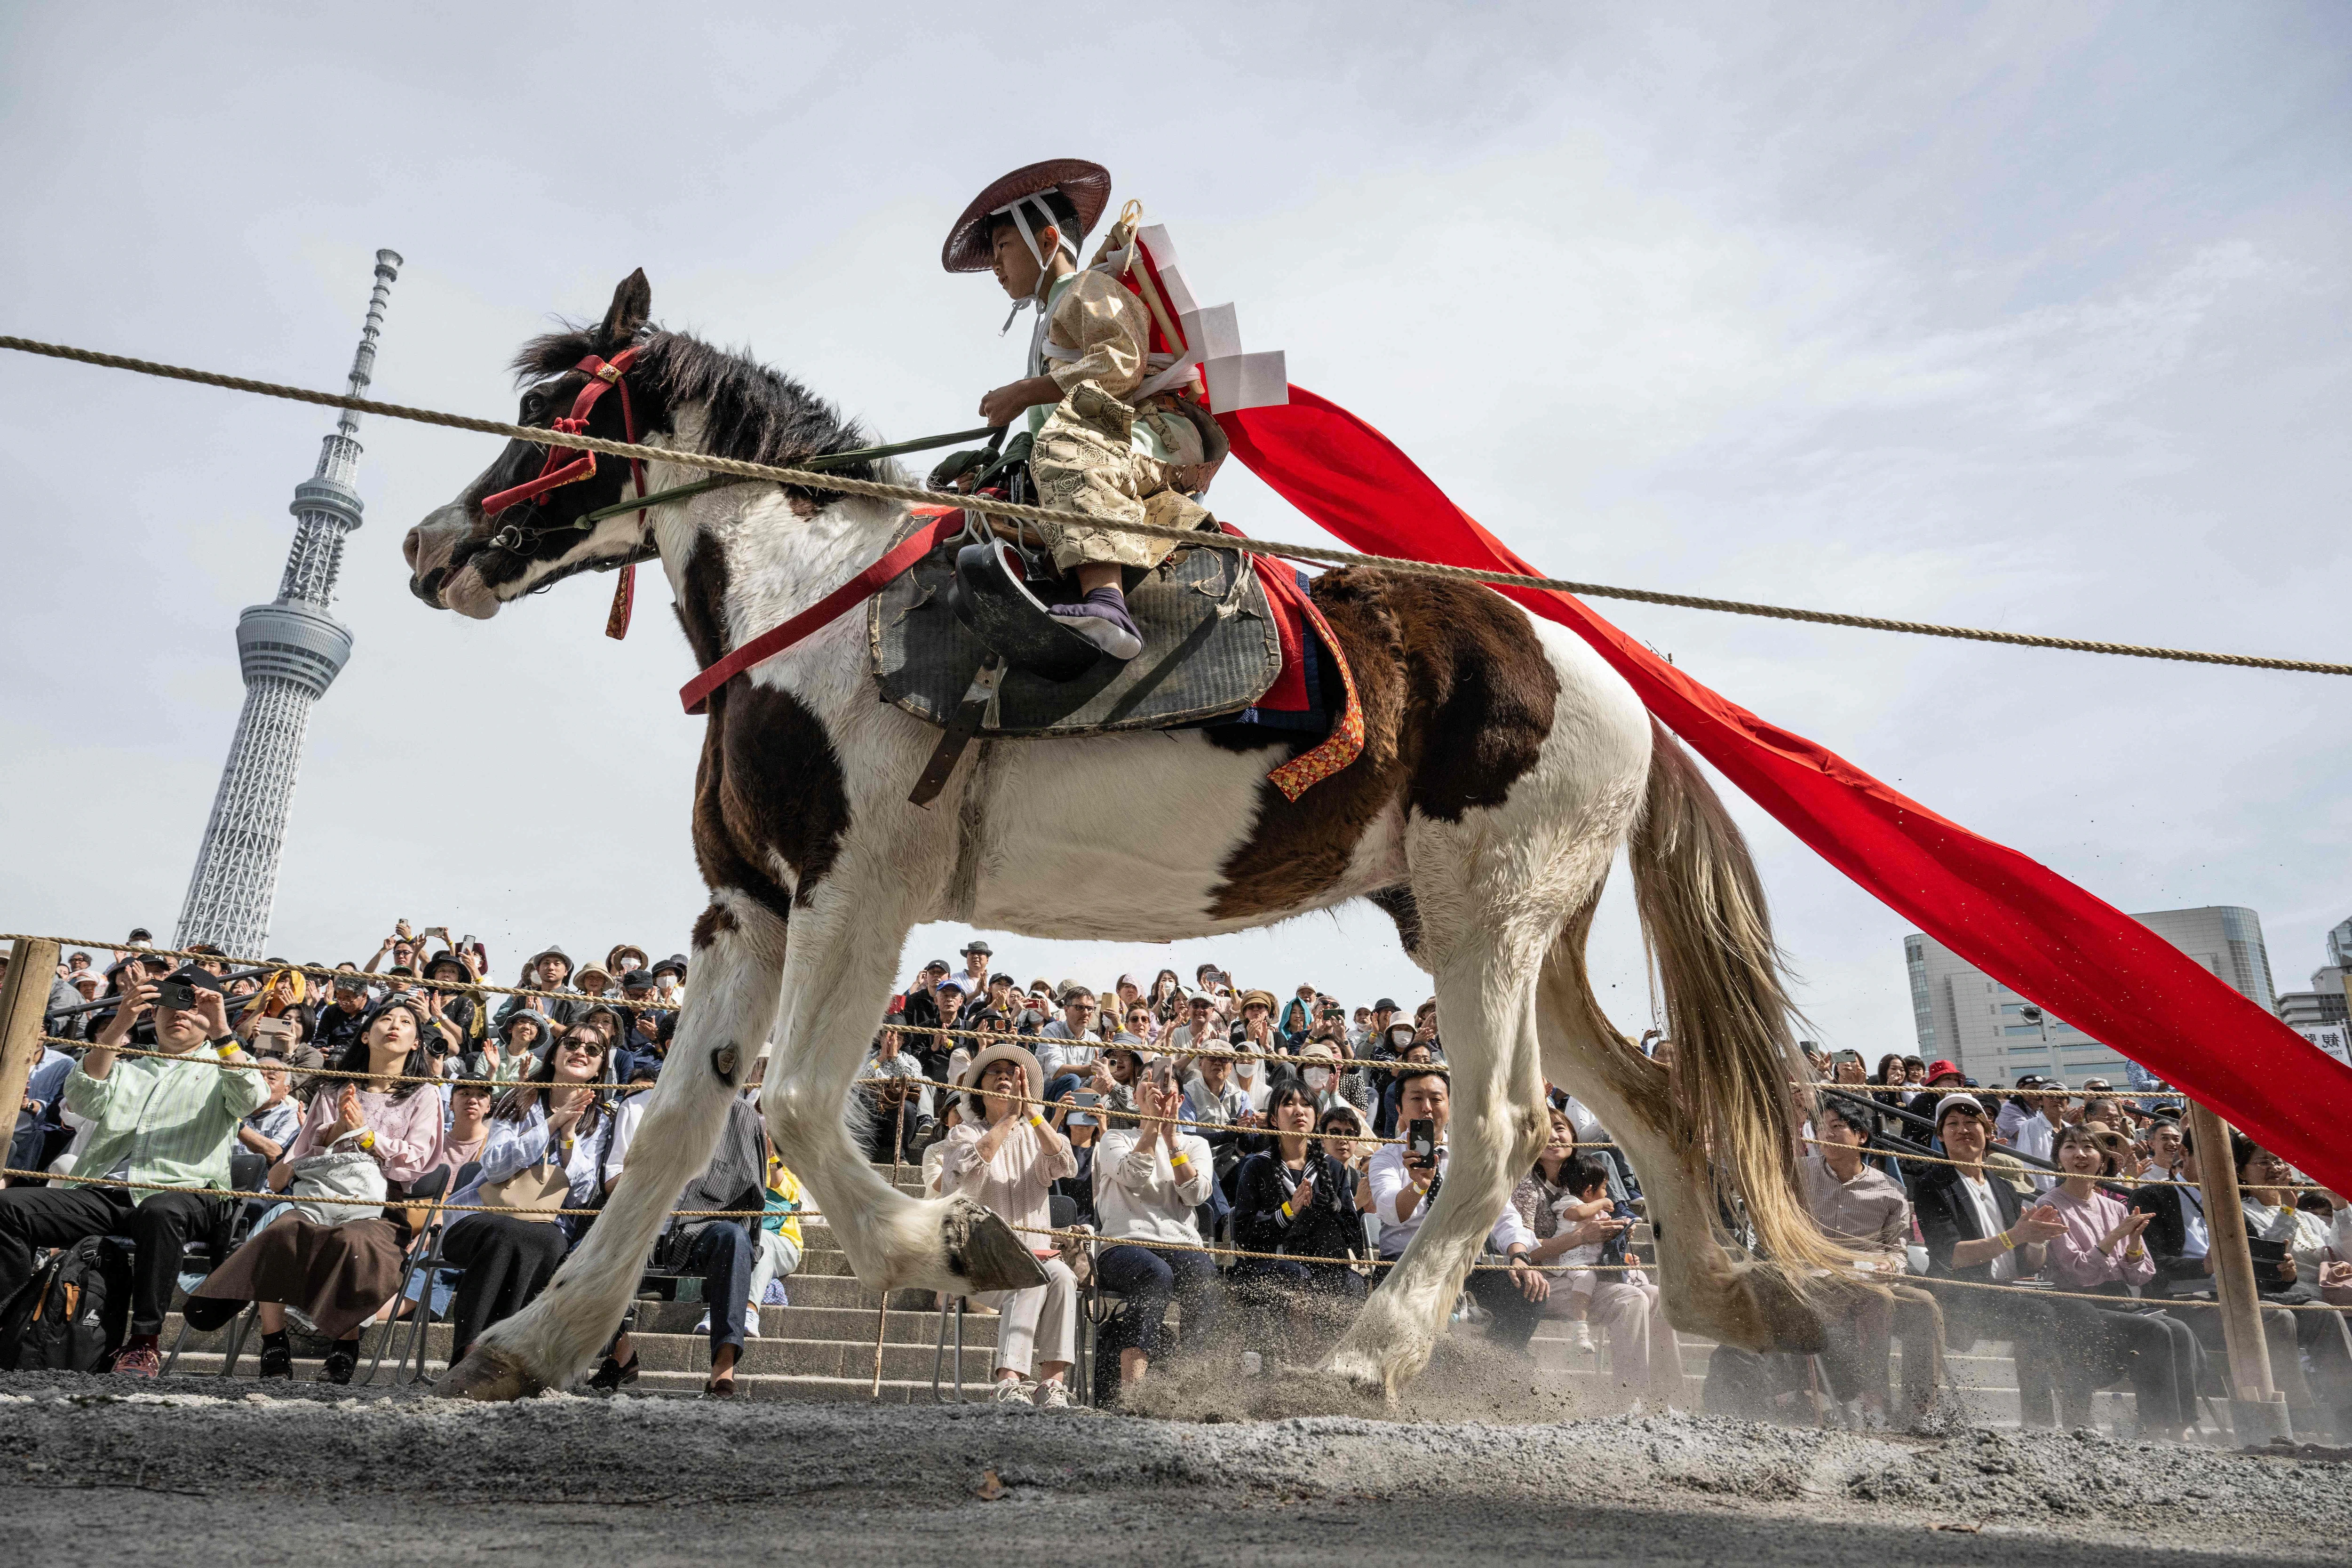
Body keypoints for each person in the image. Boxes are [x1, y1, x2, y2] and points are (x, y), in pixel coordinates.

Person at [937, 160, 1220, 664]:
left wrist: (1026, 392)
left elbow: (1119, 366)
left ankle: (1106, 603)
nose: (996, 267)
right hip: (1098, 436)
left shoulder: (1089, 290)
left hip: (1153, 433)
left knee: (1066, 450)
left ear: (1046, 241)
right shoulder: (1050, 315)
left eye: (1002, 248)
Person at [0, 967, 264, 1374]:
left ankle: (144, 1342)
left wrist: (222, 1031)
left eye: (195, 1007)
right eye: (172, 1004)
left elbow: (250, 1097)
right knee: (7, 1206)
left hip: (189, 1193)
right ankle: (9, 1316)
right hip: (106, 1191)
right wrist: (121, 1021)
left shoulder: (225, 1061)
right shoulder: (128, 1065)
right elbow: (83, 1098)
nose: (181, 1014)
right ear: (154, 1013)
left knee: (161, 1210)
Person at [186, 996, 448, 1382]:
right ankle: (274, 1342)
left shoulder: (422, 1094)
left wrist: (367, 1136)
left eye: (406, 1022)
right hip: (321, 1194)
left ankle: (346, 1343)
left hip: (382, 1205)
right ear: (364, 1035)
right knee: (283, 1230)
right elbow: (297, 1159)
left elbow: (417, 1164)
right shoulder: (331, 1090)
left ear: (415, 1043)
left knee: (353, 1242)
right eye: (385, 1018)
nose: (393, 1025)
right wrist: (330, 1135)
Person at [438, 1022, 617, 1366]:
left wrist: (568, 1137)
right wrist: (550, 1124)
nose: (581, 1051)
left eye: (593, 1050)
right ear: (554, 1053)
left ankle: (510, 1356)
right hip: (481, 1218)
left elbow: (581, 1196)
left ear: (600, 1068)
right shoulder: (518, 1099)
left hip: (548, 1225)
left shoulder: (601, 1121)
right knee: (508, 1233)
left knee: (546, 1242)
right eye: (573, 1043)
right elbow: (494, 1166)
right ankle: (472, 1354)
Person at [1909, 1095, 2075, 1427]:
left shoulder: (2004, 1186)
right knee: (2038, 1314)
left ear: (1989, 1132)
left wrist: (2037, 1240)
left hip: (2011, 1291)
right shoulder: (1933, 1184)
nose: (1963, 1130)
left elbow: (2028, 1264)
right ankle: (2039, 1421)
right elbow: (1950, 1256)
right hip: (1965, 1296)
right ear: (1940, 1135)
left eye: (1972, 1122)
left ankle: (2078, 1421)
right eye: (1952, 1124)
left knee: (2079, 1311)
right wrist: (2015, 1236)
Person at [1367, 1067, 1550, 1353]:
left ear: (1451, 1107)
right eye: (1416, 1099)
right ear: (1399, 1108)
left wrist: (1519, 1257)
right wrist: (1417, 1187)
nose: (1427, 1108)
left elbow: (1503, 1214)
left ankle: (1491, 1365)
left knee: (1528, 1292)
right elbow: (1391, 1213)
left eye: (1437, 1099)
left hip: (1463, 1268)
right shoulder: (1385, 1159)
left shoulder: (1475, 1159)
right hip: (1404, 1268)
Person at [940, 1042, 1080, 1408]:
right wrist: (1008, 1120)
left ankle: (1051, 1382)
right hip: (979, 1263)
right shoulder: (964, 1133)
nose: (1005, 1075)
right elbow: (963, 1177)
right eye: (995, 1070)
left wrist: (1034, 1115)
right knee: (1031, 1275)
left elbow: (1064, 1164)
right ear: (980, 1088)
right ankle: (1009, 1380)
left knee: (1063, 1276)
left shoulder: (1037, 1135)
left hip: (1036, 1257)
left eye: (1013, 1071)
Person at [2040, 1124, 2201, 1439]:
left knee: (2180, 1330)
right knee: (2154, 1331)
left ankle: (2180, 1423)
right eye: (2070, 1147)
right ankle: (2156, 1426)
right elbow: (2078, 1272)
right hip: (2080, 1303)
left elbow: (2142, 1274)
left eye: (2089, 1147)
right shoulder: (2050, 1206)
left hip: (2120, 1297)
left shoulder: (2116, 1207)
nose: (2080, 1154)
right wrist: (2115, 1235)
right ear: (2059, 1159)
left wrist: (2133, 1245)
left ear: (2102, 1159)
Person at [1798, 1097, 1943, 1425]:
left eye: (1837, 1127)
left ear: (1861, 1136)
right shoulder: (1798, 1175)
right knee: (1875, 1301)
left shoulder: (1890, 1190)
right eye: (1821, 1127)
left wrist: (1889, 1265)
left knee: (1925, 1303)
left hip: (1870, 1277)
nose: (1827, 1134)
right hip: (1817, 1279)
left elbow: (1896, 1249)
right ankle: (1872, 1400)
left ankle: (1921, 1408)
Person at [1094, 1062, 1221, 1394]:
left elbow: (1195, 1193)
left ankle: (1192, 1384)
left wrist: (1171, 1139)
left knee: (1205, 1274)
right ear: (1135, 1096)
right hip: (1122, 1246)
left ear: (1178, 1096)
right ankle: (1132, 1391)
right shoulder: (1114, 1137)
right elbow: (1133, 1176)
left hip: (1180, 1245)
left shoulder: (1196, 1145)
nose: (1157, 1091)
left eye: (1166, 1085)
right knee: (1156, 1273)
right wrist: (1152, 1126)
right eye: (1147, 1084)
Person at [1230, 1078, 1366, 1359]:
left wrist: (1339, 1208)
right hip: (1269, 1269)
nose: (1299, 1111)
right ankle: (1305, 1363)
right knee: (1296, 1276)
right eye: (1288, 1104)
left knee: (1352, 1284)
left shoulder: (1334, 1169)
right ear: (1273, 1120)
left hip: (1324, 1266)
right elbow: (1244, 1235)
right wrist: (1288, 1213)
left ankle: (1346, 1362)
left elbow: (1356, 1241)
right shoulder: (1256, 1166)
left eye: (1306, 1104)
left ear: (1316, 1118)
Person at [235, 1056, 305, 1165]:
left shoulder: (293, 1116)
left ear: (285, 1091)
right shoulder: (233, 1107)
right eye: (258, 1076)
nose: (263, 1082)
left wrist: (236, 1124)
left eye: (272, 1078)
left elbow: (276, 1155)